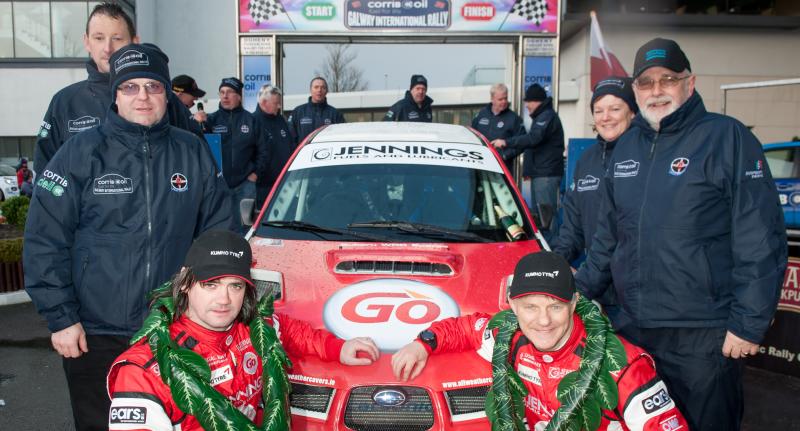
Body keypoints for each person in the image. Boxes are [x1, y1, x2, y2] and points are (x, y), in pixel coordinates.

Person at [575, 38, 787, 431]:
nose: (657, 91)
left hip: (702, 334)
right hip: (634, 329)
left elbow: (760, 235)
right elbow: (608, 238)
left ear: (690, 83)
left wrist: (748, 322)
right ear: (636, 90)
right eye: (646, 82)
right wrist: (574, 292)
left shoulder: (728, 138)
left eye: (667, 79)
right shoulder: (625, 148)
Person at [23, 43, 234, 431]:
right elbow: (44, 239)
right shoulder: (79, 153)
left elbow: (219, 234)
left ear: (167, 95)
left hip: (172, 329)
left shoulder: (192, 152)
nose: (142, 97)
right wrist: (60, 318)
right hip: (93, 332)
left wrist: (214, 308)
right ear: (115, 94)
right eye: (130, 87)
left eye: (153, 87)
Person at [107, 229, 379, 430]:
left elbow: (291, 330)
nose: (224, 299)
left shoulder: (251, 329)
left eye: (234, 286)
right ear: (186, 283)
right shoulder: (144, 370)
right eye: (211, 285)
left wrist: (338, 348)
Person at [392, 252, 689, 431]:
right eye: (531, 307)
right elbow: (466, 327)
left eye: (555, 306)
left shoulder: (621, 365)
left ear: (574, 304)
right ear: (512, 305)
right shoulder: (509, 335)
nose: (543, 321)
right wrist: (424, 342)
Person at [33, 2, 200, 172]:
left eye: (117, 38)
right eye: (99, 38)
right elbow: (45, 171)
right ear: (87, 42)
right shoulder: (65, 102)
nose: (108, 48)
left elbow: (199, 160)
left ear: (135, 42)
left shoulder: (161, 99)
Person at [550, 76, 637, 330]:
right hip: (597, 289)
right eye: (599, 110)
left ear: (632, 111)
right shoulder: (587, 160)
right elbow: (572, 226)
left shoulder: (645, 156)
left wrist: (585, 281)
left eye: (615, 108)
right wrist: (556, 265)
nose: (606, 116)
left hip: (634, 293)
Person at [491, 83, 564, 241]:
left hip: (546, 175)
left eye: (528, 101)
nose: (526, 105)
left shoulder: (546, 117)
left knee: (547, 216)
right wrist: (529, 171)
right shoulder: (542, 116)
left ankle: (554, 251)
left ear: (536, 101)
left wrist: (506, 142)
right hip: (541, 173)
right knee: (542, 215)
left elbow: (533, 139)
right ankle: (548, 246)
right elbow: (535, 144)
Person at [204, 77, 268, 231]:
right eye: (222, 92)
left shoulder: (251, 120)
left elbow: (264, 151)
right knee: (220, 226)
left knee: (245, 226)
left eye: (230, 92)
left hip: (245, 185)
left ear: (239, 96)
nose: (225, 96)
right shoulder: (211, 120)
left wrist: (255, 174)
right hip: (219, 185)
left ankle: (245, 255)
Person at [253, 84, 296, 214]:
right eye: (276, 103)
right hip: (263, 186)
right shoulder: (253, 121)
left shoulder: (281, 120)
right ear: (264, 102)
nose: (279, 106)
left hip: (284, 184)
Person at [471, 83, 525, 173]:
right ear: (492, 99)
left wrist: (505, 155)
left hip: (502, 169)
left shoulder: (514, 118)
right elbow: (472, 135)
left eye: (505, 98)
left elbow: (522, 142)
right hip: (481, 166)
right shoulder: (481, 114)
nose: (504, 102)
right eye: (500, 99)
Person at [287, 76, 345, 144]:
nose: (319, 90)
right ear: (311, 90)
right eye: (316, 87)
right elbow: (290, 138)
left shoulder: (335, 114)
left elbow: (341, 138)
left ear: (326, 91)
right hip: (305, 154)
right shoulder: (298, 112)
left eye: (323, 87)